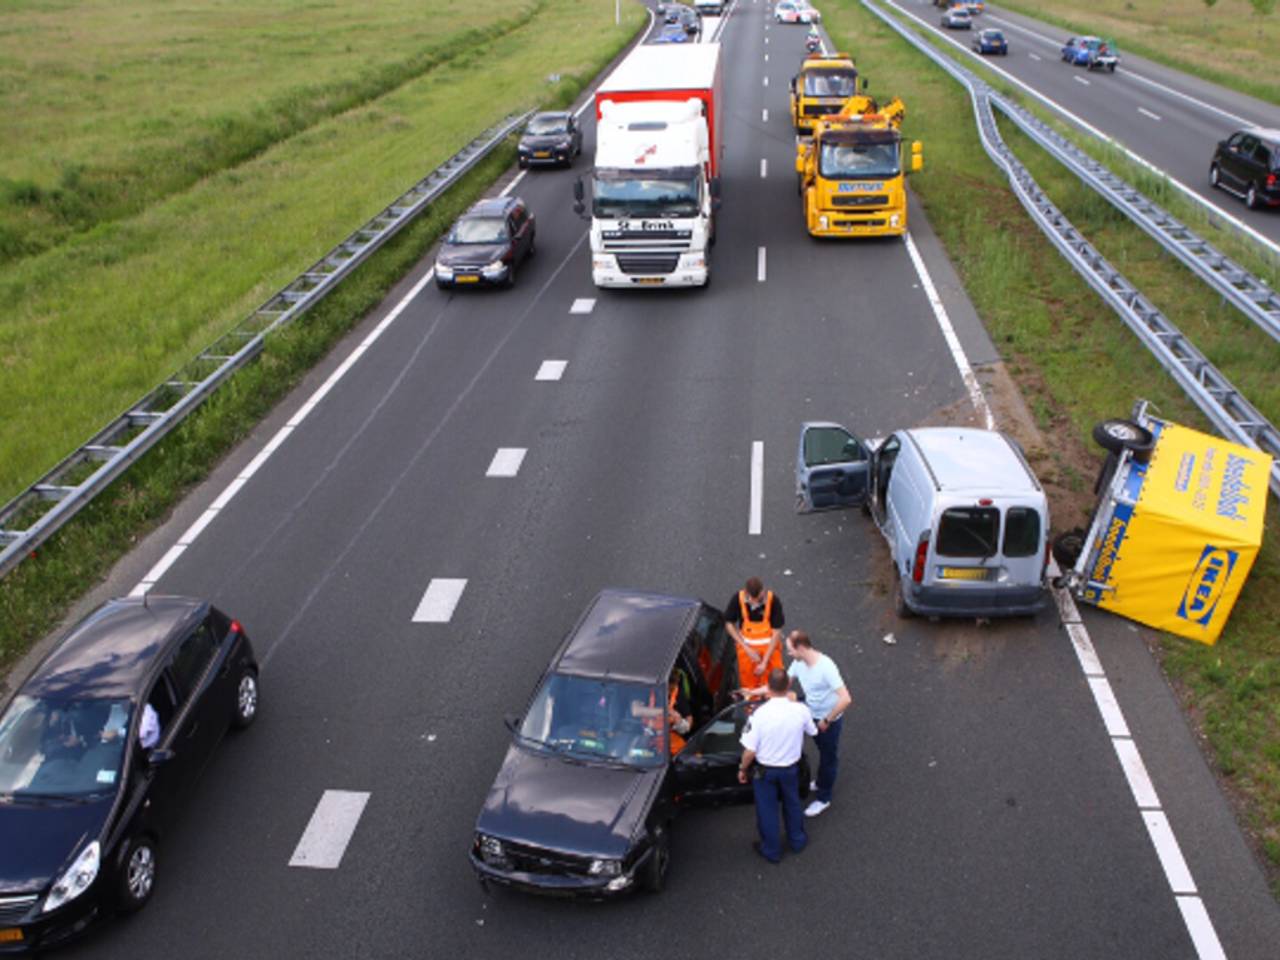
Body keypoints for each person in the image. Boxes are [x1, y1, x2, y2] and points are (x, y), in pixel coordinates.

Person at [737, 669, 816, 863]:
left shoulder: (759, 715)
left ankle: (772, 850)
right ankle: (797, 840)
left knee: (767, 811)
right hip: (791, 768)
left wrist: (742, 768)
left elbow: (750, 751)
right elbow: (812, 731)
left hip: (766, 772)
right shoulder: (800, 710)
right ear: (788, 685)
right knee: (793, 803)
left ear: (769, 688)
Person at [785, 630, 852, 818]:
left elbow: (846, 699)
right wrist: (759, 691)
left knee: (828, 757)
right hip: (810, 710)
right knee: (818, 749)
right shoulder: (798, 663)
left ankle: (824, 798)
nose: (788, 653)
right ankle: (821, 781)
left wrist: (827, 720)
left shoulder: (826, 667)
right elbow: (783, 684)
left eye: (790, 650)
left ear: (800, 648)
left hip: (827, 720)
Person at [724, 577, 784, 694]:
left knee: (775, 685)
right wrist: (747, 649)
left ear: (763, 591)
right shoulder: (738, 599)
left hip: (770, 653)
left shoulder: (773, 600)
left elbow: (777, 632)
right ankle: (751, 708)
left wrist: (764, 662)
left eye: (759, 599)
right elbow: (729, 624)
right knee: (749, 686)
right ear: (746, 592)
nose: (756, 603)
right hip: (747, 654)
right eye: (752, 599)